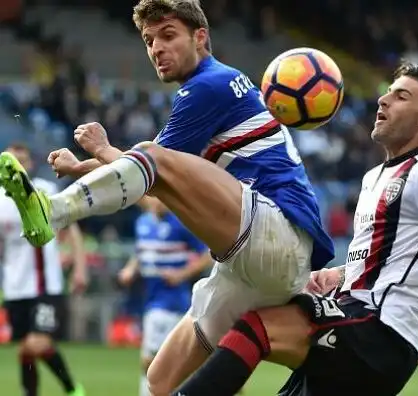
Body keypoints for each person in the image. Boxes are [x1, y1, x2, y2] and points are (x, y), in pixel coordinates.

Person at [0, 0, 334, 394]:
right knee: (160, 379)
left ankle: (54, 211)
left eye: (168, 35)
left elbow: (153, 179)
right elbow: (146, 174)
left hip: (276, 232)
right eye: (148, 40)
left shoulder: (207, 86)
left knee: (153, 157)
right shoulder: (221, 85)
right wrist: (82, 167)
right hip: (252, 262)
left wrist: (103, 149)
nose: (156, 48)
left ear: (201, 36)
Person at [169, 63, 418, 396]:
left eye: (401, 96)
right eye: (387, 91)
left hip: (381, 333)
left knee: (258, 327)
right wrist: (342, 274)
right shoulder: (375, 177)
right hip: (359, 323)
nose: (383, 100)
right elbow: (393, 258)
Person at [0, 143, 88, 396]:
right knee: (26, 349)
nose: (15, 168)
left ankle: (73, 389)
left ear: (29, 164)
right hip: (14, 288)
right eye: (10, 162)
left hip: (44, 285)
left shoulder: (44, 190)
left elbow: (70, 228)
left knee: (36, 344)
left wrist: (80, 267)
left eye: (21, 161)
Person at [118, 197, 212, 396]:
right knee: (176, 359)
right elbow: (141, 251)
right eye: (154, 198)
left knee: (151, 360)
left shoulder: (181, 223)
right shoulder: (142, 222)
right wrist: (130, 269)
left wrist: (181, 275)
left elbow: (207, 255)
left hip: (171, 302)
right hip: (152, 300)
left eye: (162, 198)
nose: (158, 203)